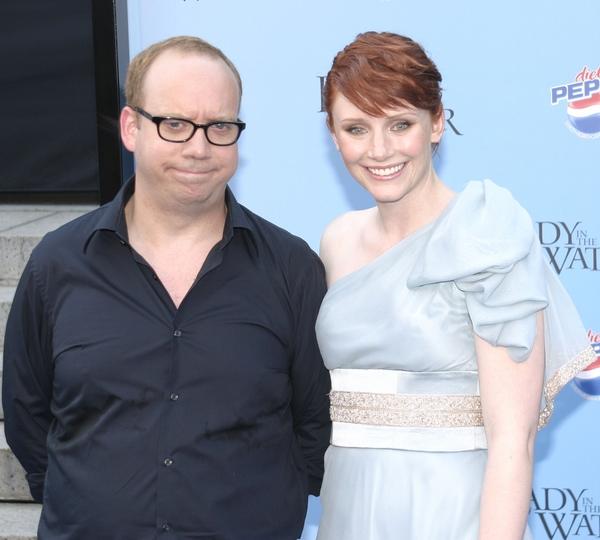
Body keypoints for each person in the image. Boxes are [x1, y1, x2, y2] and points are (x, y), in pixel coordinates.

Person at [3, 35, 330, 540]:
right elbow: (27, 415)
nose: (199, 148)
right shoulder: (58, 263)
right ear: (132, 127)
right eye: (174, 124)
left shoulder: (291, 268)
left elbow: (316, 422)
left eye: (219, 126)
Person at [314, 31, 595, 540]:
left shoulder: (485, 233)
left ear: (437, 123)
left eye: (400, 124)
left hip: (452, 514)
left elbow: (514, 440)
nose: (379, 150)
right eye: (356, 128)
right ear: (334, 136)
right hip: (349, 510)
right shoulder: (336, 240)